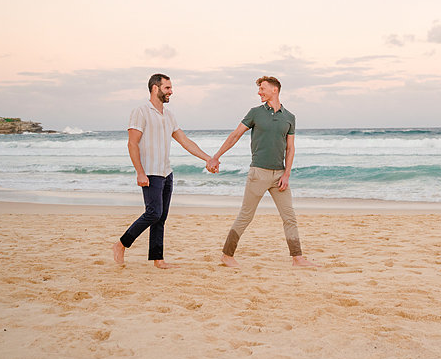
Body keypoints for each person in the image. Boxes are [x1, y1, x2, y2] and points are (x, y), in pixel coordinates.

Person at [207, 76, 315, 267]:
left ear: (275, 90)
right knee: (246, 215)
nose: (259, 92)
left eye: (262, 88)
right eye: (259, 89)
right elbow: (235, 135)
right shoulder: (255, 113)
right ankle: (227, 255)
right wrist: (216, 156)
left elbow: (290, 148)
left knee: (289, 217)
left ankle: (297, 258)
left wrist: (287, 174)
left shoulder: (289, 117)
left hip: (279, 176)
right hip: (258, 173)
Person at [113, 73, 218, 269]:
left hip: (166, 173)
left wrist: (208, 158)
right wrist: (140, 172)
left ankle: (158, 259)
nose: (171, 91)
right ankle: (121, 244)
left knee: (161, 217)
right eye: (167, 88)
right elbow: (132, 144)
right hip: (150, 172)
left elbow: (185, 141)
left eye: (171, 88)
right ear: (155, 88)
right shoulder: (141, 112)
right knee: (153, 213)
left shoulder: (169, 116)